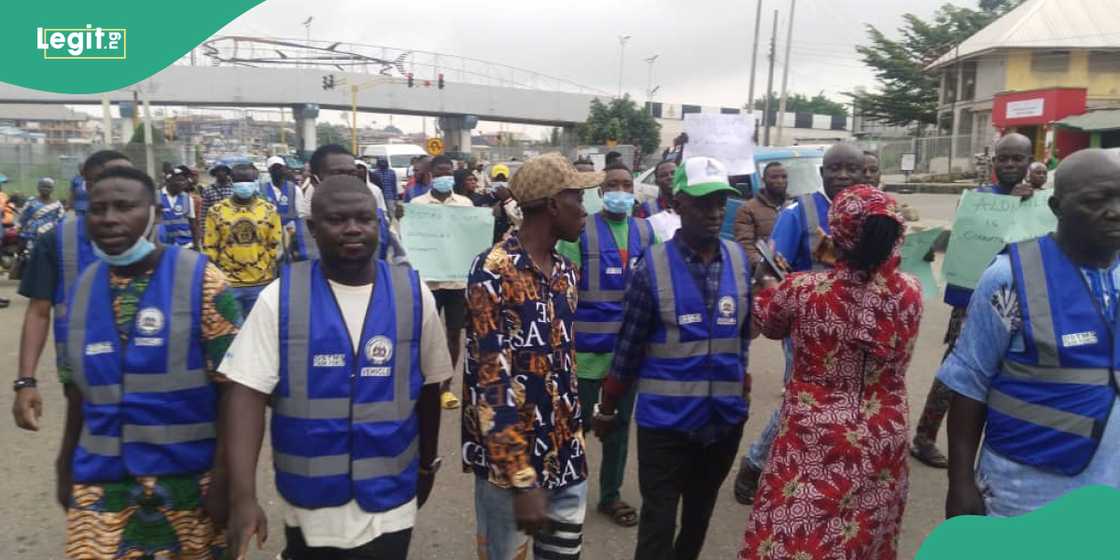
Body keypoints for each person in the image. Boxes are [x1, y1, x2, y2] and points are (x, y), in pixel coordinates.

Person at [221, 175, 451, 560]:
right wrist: (243, 495)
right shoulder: (280, 298)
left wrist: (427, 465)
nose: (353, 229)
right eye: (337, 220)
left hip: (389, 498)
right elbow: (246, 393)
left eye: (364, 219)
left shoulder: (414, 294)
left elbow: (430, 387)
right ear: (312, 227)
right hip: (310, 502)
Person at [56, 165, 242, 559]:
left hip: (188, 482)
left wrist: (229, 481)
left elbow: (234, 391)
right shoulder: (82, 288)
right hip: (102, 482)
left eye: (125, 207)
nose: (109, 219)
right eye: (98, 209)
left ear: (154, 211)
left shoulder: (202, 280)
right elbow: (77, 391)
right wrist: (64, 464)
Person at [740, 185, 923, 560]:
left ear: (835, 231)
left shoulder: (803, 290)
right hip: (883, 434)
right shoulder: (911, 290)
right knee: (863, 532)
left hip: (814, 435)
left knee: (794, 532)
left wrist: (767, 286)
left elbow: (768, 324)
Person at [940, 149, 1120, 519]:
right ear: (1057, 208)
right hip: (1025, 493)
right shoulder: (1007, 278)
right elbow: (969, 384)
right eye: (1095, 201)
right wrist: (960, 484)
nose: (1115, 210)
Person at [592, 156, 750, 560]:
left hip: (722, 422)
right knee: (658, 526)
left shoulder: (738, 259)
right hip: (666, 427)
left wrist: (742, 392)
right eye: (703, 202)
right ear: (678, 203)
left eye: (720, 201)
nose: (715, 212)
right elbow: (628, 348)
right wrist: (608, 408)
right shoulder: (653, 268)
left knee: (698, 520)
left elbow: (743, 338)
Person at [463, 152, 600, 560]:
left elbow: (564, 365)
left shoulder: (566, 272)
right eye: (579, 198)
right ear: (554, 204)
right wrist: (523, 480)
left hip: (566, 458)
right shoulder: (492, 270)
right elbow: (490, 382)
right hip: (511, 473)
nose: (586, 211)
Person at [911, 133, 1036, 469]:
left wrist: (1030, 203)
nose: (1009, 164)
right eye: (1003, 158)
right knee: (956, 369)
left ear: (1029, 160)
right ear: (993, 162)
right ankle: (924, 436)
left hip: (1023, 297)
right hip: (974, 299)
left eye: (1017, 158)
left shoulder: (1039, 202)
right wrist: (1010, 204)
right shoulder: (978, 198)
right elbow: (969, 242)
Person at [556, 160, 655, 529]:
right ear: (601, 192)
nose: (621, 191)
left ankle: (609, 495)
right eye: (613, 184)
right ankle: (567, 492)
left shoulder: (646, 232)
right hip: (585, 351)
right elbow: (565, 291)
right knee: (576, 428)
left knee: (619, 427)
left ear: (634, 190)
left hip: (627, 353)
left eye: (627, 185)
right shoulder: (581, 231)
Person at [11, 151, 132, 432]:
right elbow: (39, 313)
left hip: (149, 368)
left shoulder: (151, 237)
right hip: (81, 375)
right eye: (113, 178)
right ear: (88, 186)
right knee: (80, 444)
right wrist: (25, 381)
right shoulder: (56, 242)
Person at [411, 170, 474, 410]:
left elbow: (471, 237)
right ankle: (424, 382)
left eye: (447, 173)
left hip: (457, 281)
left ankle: (446, 387)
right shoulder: (417, 205)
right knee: (424, 332)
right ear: (431, 177)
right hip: (429, 281)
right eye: (440, 173)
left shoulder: (466, 204)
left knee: (453, 333)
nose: (444, 178)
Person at [770, 143, 867, 273]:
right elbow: (774, 272)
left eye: (852, 169)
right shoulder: (796, 213)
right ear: (822, 172)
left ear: (862, 174)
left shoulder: (875, 213)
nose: (843, 175)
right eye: (834, 168)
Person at [203, 163, 283, 314]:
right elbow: (210, 246)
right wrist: (215, 279)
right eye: (240, 181)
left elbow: (275, 244)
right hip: (228, 283)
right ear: (232, 182)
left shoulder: (269, 210)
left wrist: (270, 269)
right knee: (232, 332)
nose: (244, 185)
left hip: (261, 282)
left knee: (258, 332)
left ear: (255, 183)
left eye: (249, 181)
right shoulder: (216, 211)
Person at [732, 161, 788, 269]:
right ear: (763, 180)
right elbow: (745, 245)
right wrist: (764, 266)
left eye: (784, 177)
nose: (780, 181)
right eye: (774, 177)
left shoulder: (794, 206)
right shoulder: (747, 209)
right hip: (766, 273)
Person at [262, 155, 306, 233]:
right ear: (269, 171)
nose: (277, 171)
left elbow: (300, 215)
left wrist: (299, 239)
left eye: (280, 167)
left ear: (284, 169)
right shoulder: (262, 190)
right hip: (269, 232)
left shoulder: (294, 189)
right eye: (274, 168)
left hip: (289, 232)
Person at [157, 165, 197, 249]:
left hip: (185, 245)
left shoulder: (187, 198)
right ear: (169, 181)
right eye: (179, 180)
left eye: (184, 181)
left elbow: (192, 223)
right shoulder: (156, 196)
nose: (183, 183)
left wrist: (196, 246)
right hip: (163, 246)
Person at [19, 178, 64, 244]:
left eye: (49, 187)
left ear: (53, 189)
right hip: (31, 234)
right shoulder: (31, 201)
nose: (46, 189)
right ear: (38, 187)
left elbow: (61, 220)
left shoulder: (57, 204)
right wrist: (21, 228)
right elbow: (23, 217)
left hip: (49, 235)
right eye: (43, 186)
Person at [200, 162, 235, 237]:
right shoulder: (208, 190)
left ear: (227, 172)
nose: (220, 173)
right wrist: (203, 231)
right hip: (214, 227)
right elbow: (204, 212)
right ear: (215, 173)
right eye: (218, 171)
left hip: (233, 226)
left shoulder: (235, 188)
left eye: (223, 170)